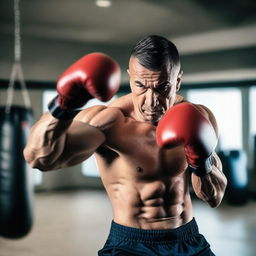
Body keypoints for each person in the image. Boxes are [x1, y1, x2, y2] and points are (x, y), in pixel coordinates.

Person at [23, 35, 227, 256]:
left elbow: (213, 197)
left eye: (162, 87)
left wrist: (201, 160)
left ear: (177, 81)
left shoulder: (199, 116)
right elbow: (39, 158)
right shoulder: (109, 122)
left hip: (188, 239)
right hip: (131, 245)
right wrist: (63, 105)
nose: (151, 101)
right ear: (130, 78)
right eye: (140, 85)